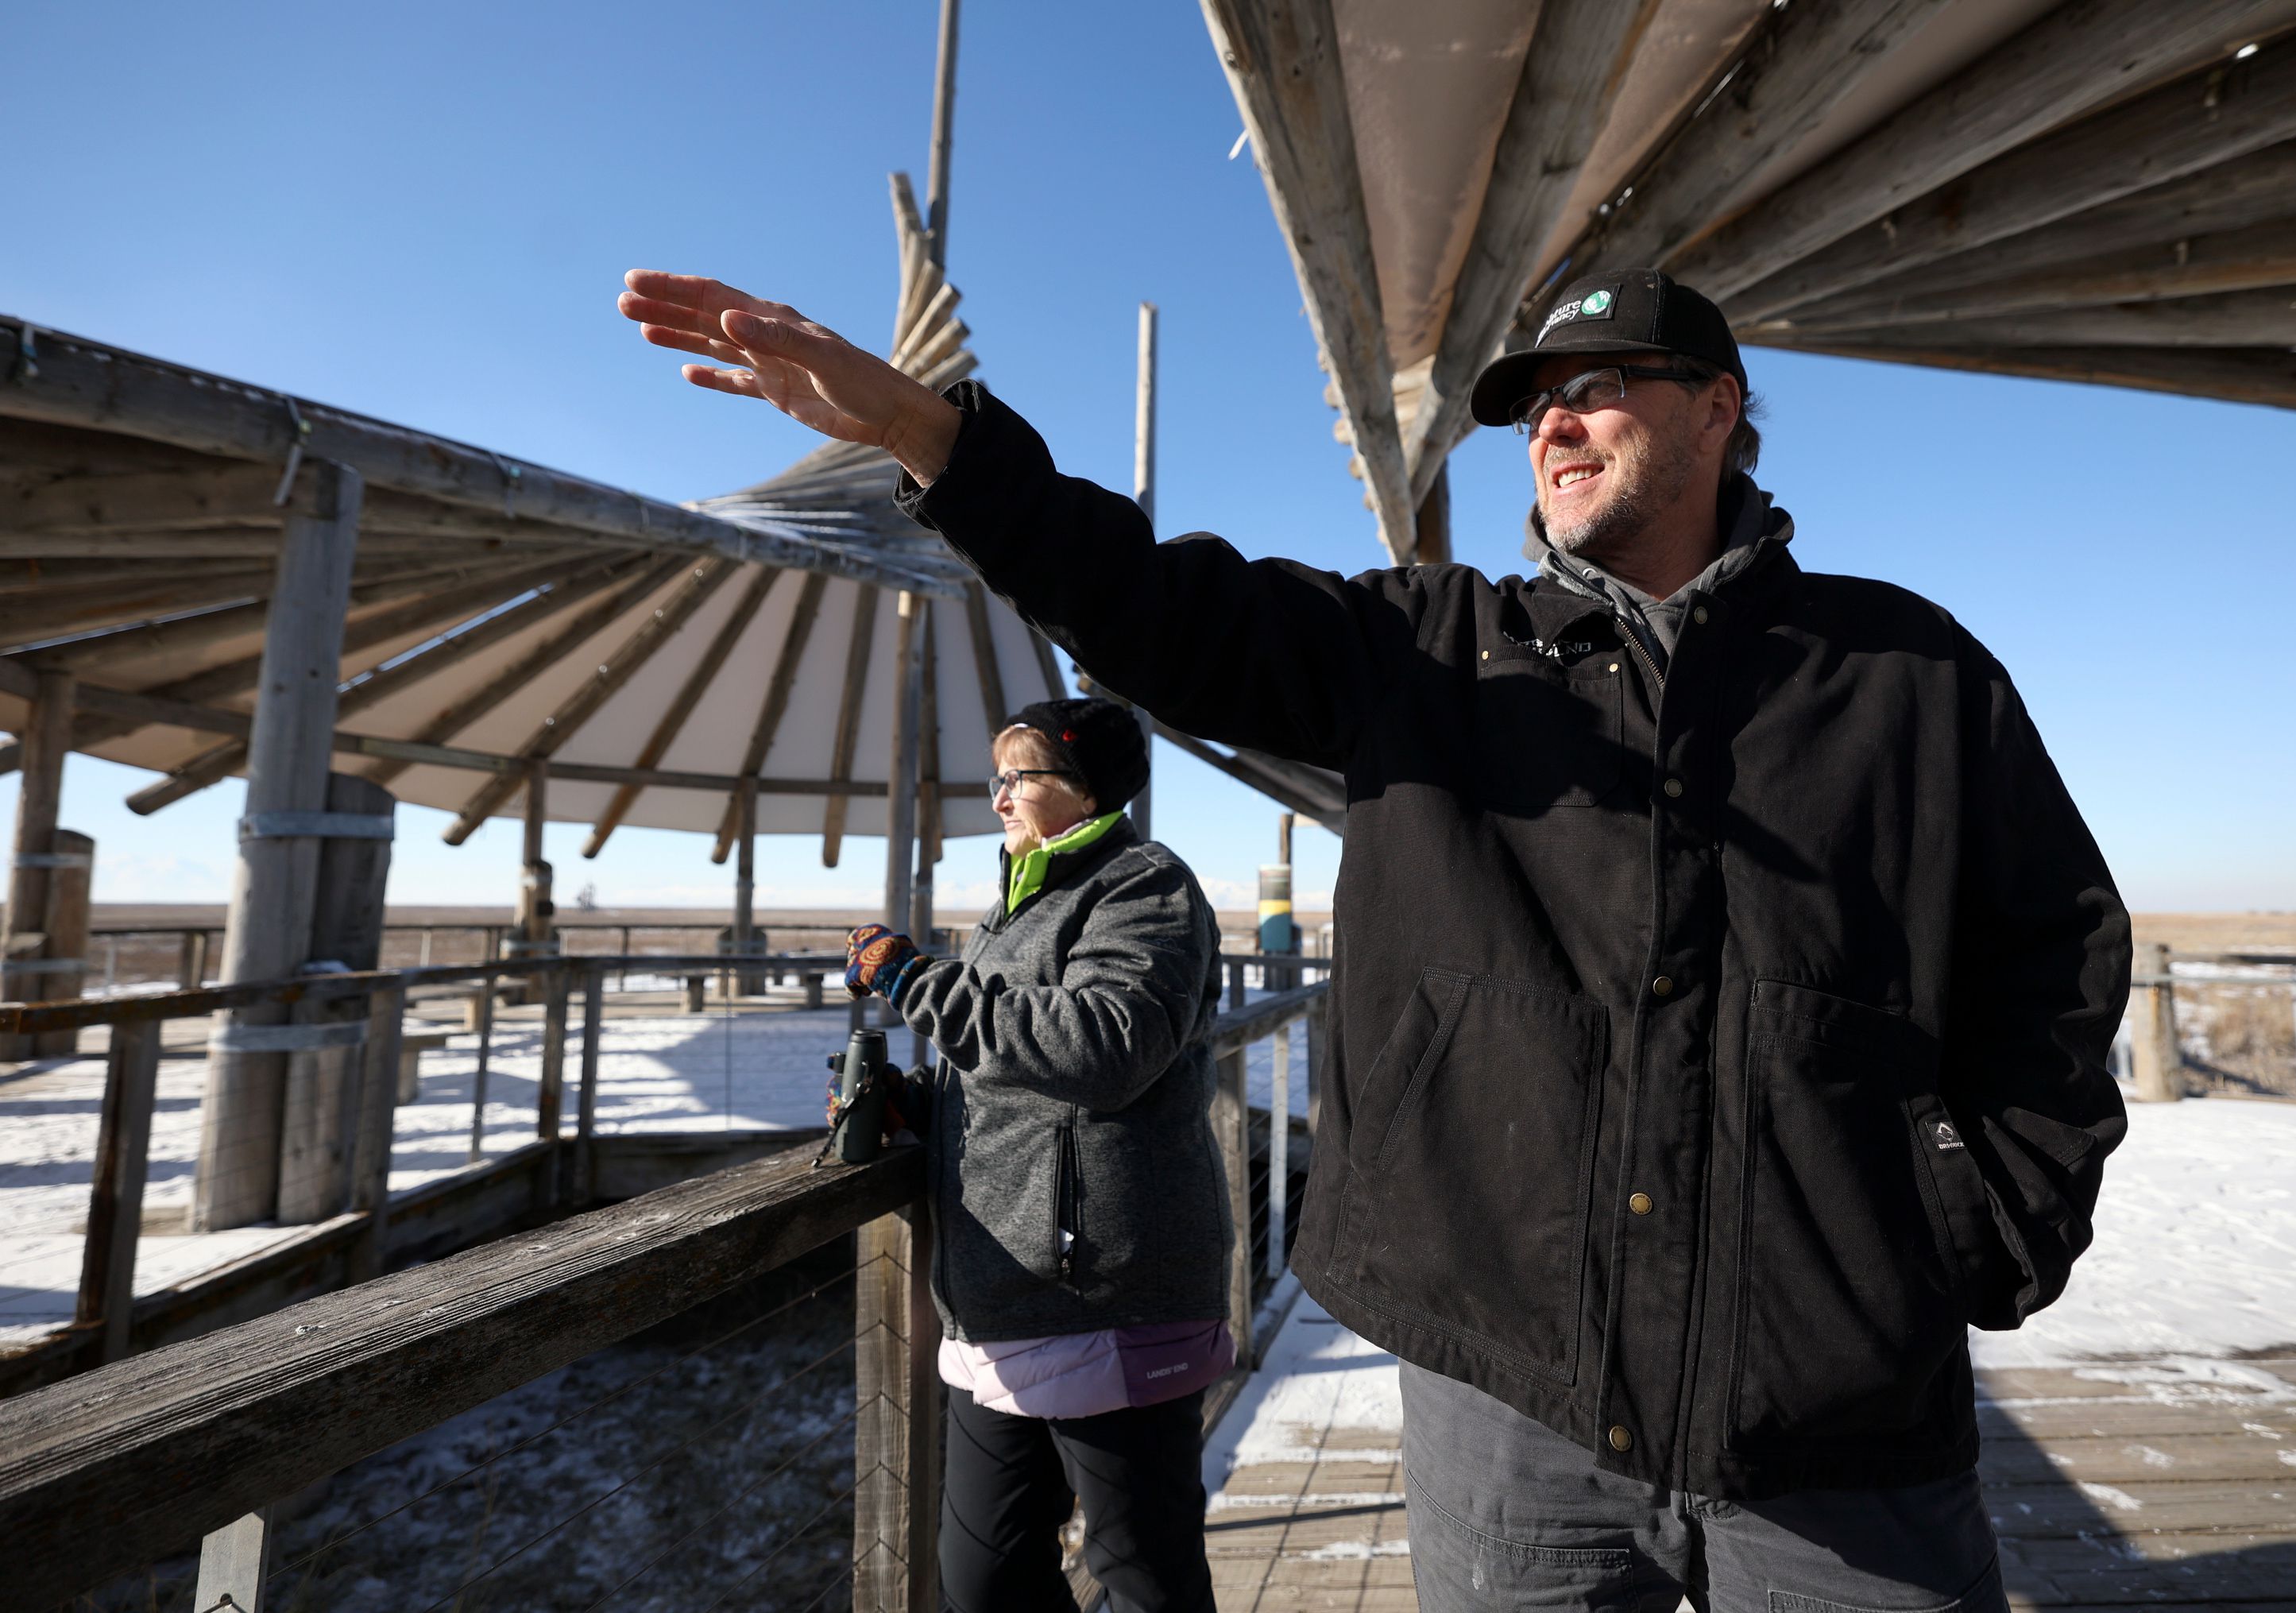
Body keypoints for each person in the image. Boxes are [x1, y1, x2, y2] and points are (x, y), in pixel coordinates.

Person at [622, 265, 2131, 1611]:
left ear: (1723, 410)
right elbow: (1158, 608)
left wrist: (1973, 1220)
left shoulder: (1909, 676)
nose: (1555, 424)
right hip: (1508, 1389)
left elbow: (2054, 955)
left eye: (1599, 388)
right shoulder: (1425, 654)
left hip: (1837, 1402)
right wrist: (939, 445)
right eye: (1535, 404)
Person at [840, 698, 1229, 1613]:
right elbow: (1014, 1078)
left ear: (1084, 786)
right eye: (998, 777)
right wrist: (921, 1108)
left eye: (1020, 776)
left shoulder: (1144, 886)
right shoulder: (1016, 905)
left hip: (1108, 1291)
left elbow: (1104, 1048)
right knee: (982, 1580)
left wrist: (914, 978)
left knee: (1145, 1578)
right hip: (998, 1299)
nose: (1000, 797)